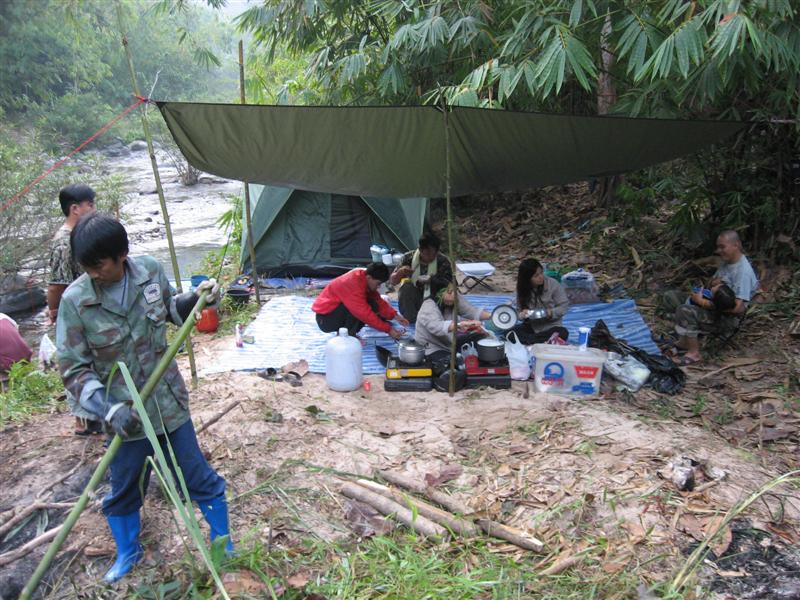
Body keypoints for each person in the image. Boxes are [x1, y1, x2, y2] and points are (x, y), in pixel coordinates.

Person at [56, 213, 230, 583]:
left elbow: (171, 311)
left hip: (168, 405)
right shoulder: (76, 301)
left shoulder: (150, 271)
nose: (93, 273)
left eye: (99, 265)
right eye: (86, 266)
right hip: (126, 418)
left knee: (197, 475)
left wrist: (198, 299)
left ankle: (223, 544)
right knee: (124, 487)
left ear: (122, 255)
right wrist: (109, 409)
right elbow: (73, 369)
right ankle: (128, 553)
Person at [48, 184, 100, 435]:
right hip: (73, 309)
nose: (94, 209)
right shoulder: (63, 241)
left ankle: (94, 413)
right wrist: (54, 312)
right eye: (90, 204)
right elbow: (56, 284)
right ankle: (82, 420)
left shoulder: (81, 234)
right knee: (76, 359)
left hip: (89, 306)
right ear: (75, 208)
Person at [670, 230, 759, 365]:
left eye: (722, 247)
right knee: (672, 297)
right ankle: (684, 338)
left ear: (736, 245)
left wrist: (703, 303)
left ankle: (694, 353)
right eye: (718, 247)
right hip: (713, 303)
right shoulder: (727, 263)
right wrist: (709, 286)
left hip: (726, 319)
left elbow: (738, 308)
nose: (719, 251)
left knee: (685, 310)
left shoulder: (743, 273)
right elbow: (713, 283)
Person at [312, 262, 409, 340]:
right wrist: (388, 330)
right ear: (369, 278)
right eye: (378, 283)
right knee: (359, 310)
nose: (379, 287)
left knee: (372, 304)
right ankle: (348, 337)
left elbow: (378, 301)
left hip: (333, 312)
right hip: (325, 319)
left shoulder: (363, 277)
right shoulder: (353, 284)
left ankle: (348, 333)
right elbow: (363, 313)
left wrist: (395, 316)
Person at [415, 276, 491, 364]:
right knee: (455, 363)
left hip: (450, 343)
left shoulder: (454, 298)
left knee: (482, 338)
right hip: (432, 347)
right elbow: (437, 328)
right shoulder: (428, 307)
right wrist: (461, 325)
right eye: (449, 292)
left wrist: (495, 316)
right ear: (438, 293)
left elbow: (471, 311)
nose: (454, 295)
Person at [389, 232, 453, 323]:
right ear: (420, 250)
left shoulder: (442, 260)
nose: (431, 256)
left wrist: (433, 280)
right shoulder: (408, 258)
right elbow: (393, 281)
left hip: (434, 298)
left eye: (434, 253)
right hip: (416, 299)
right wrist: (400, 272)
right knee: (406, 287)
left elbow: (451, 283)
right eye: (428, 253)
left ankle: (435, 316)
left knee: (449, 294)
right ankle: (413, 319)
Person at [510, 258, 569, 345]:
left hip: (551, 326)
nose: (541, 277)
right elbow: (518, 312)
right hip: (532, 326)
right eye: (536, 276)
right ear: (527, 278)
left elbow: (564, 306)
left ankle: (531, 340)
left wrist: (551, 313)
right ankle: (538, 340)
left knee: (563, 333)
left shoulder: (553, 284)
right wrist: (522, 315)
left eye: (541, 273)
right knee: (510, 333)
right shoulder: (523, 289)